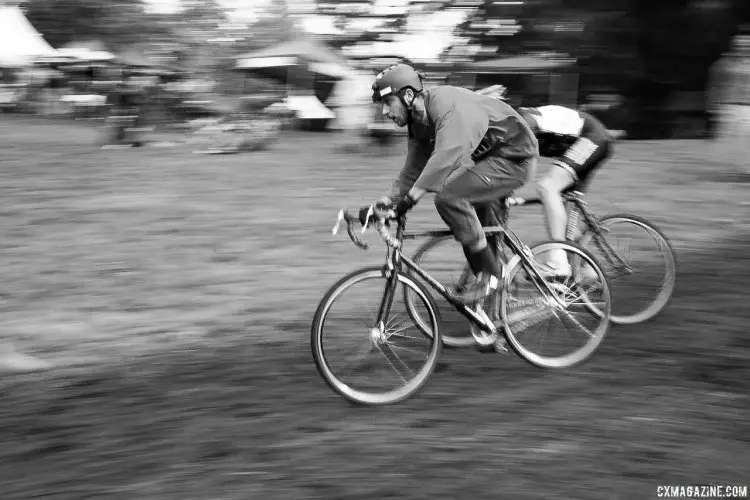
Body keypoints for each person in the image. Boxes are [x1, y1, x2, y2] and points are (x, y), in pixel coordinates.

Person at [362, 63, 539, 304]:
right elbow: (412, 170)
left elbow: (446, 157)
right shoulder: (418, 123)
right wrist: (383, 202)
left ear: (408, 95)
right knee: (472, 227)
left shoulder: (446, 106)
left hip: (514, 158)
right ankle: (493, 321)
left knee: (450, 197)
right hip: (489, 163)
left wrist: (407, 202)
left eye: (387, 102)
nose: (384, 112)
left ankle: (493, 279)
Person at [516, 104, 614, 275]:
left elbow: (525, 166)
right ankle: (590, 276)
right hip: (580, 143)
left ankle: (557, 261)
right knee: (563, 224)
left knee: (548, 187)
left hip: (592, 137)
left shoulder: (524, 122)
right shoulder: (512, 126)